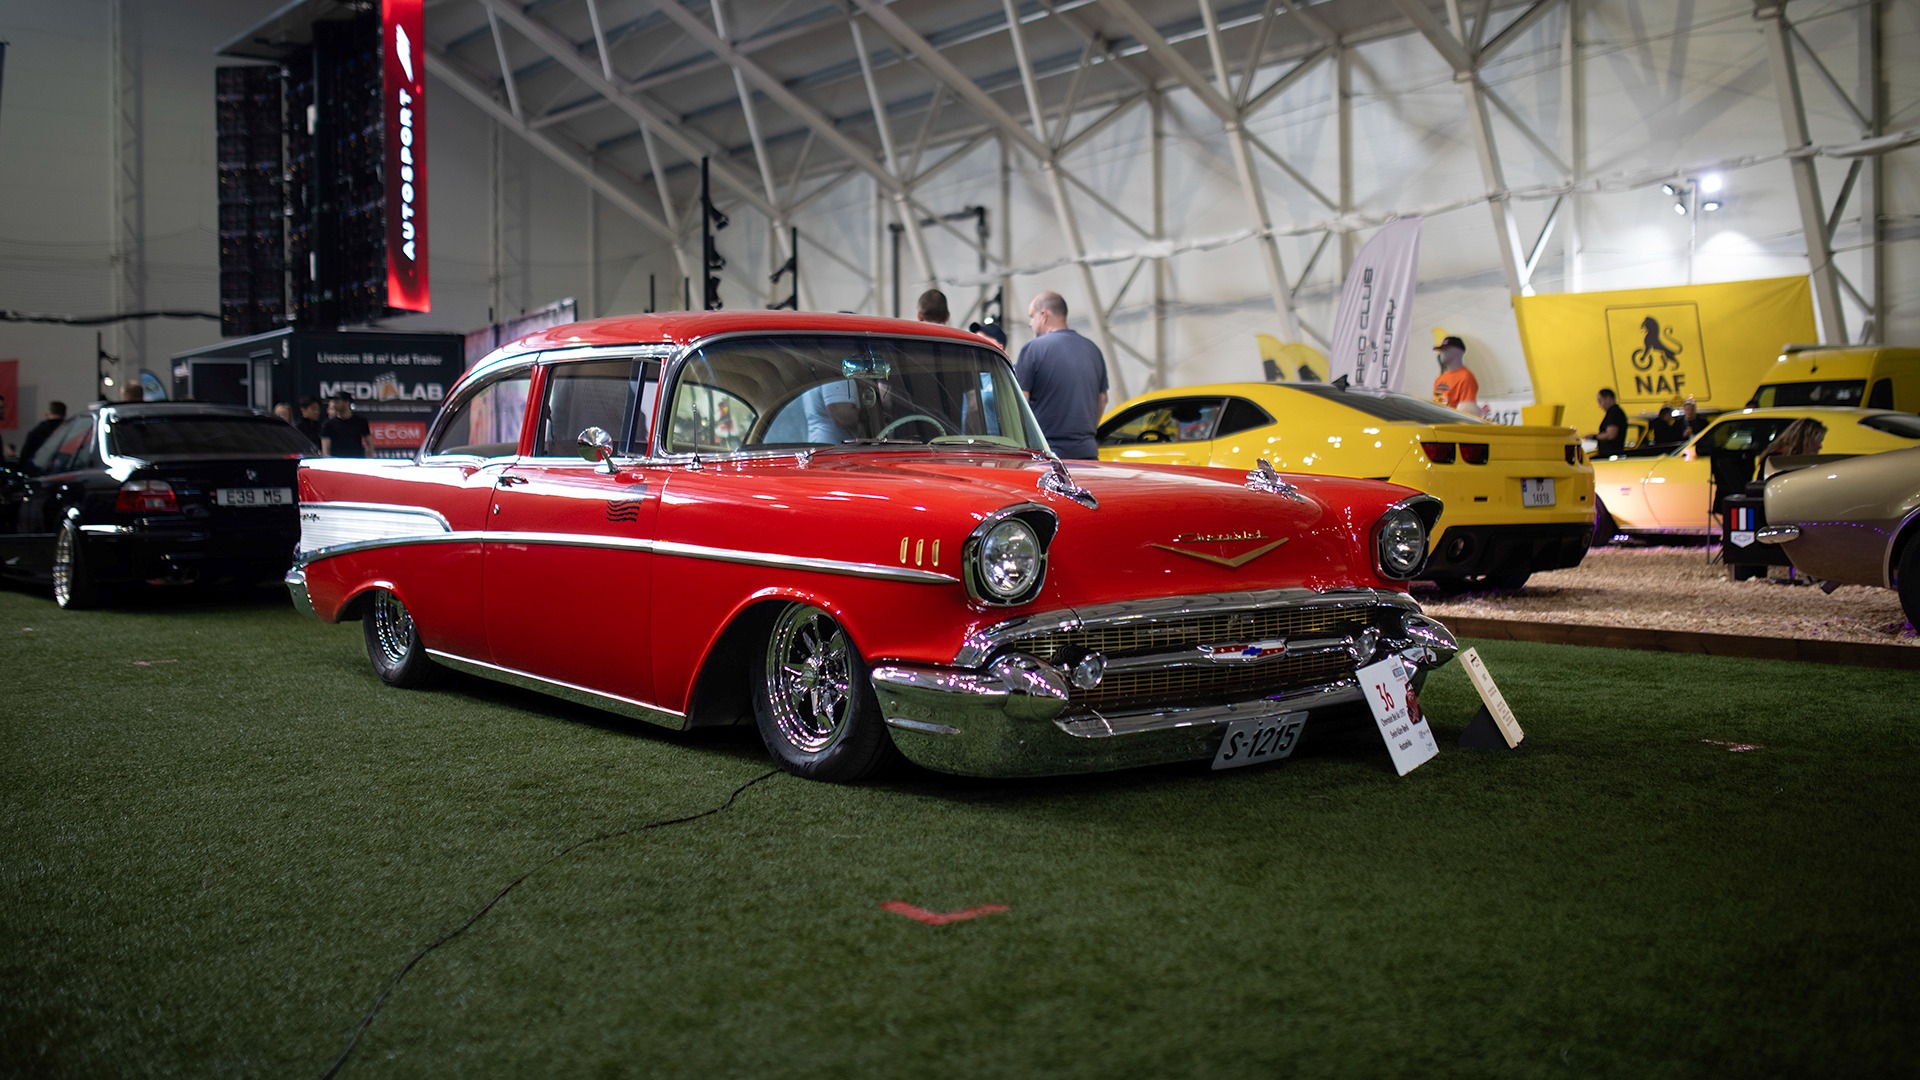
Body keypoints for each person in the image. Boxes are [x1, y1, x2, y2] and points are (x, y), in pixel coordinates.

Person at [1014, 291, 1108, 460]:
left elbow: (1020, 402)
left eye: (1031, 316)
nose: (1030, 323)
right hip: (1087, 453)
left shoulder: (1033, 349)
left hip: (1048, 455)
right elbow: (1102, 399)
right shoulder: (1093, 349)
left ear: (1043, 315)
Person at [1755, 418, 1827, 475]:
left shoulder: (1802, 462)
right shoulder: (1777, 461)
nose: (1820, 446)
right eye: (1818, 442)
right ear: (1805, 441)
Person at [1431, 336, 1481, 411]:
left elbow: (1467, 411)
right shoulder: (1439, 379)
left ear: (1458, 352)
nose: (1442, 353)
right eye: (1441, 350)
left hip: (1453, 421)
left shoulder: (1466, 378)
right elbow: (1437, 406)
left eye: (1446, 350)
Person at [19, 401, 68, 466]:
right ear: (64, 415)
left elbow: (25, 455)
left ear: (47, 414)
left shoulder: (37, 431)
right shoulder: (70, 430)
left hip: (39, 469)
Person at [1589, 388, 1628, 458]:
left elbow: (1611, 435)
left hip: (1611, 455)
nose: (1599, 405)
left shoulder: (1614, 413)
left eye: (1600, 401)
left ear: (1608, 398)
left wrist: (1594, 437)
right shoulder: (1614, 412)